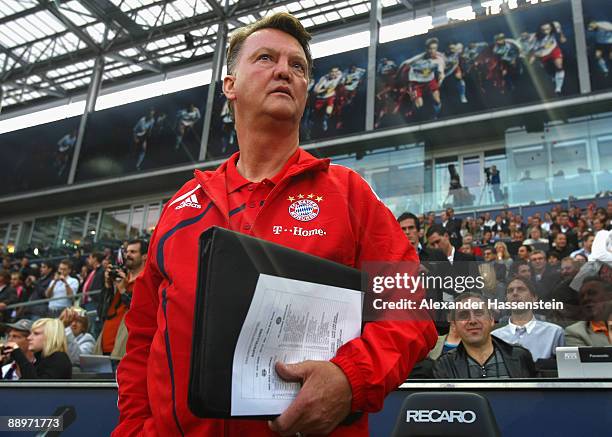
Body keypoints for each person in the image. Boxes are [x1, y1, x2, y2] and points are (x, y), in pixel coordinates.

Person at [113, 13, 436, 437]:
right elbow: (141, 336)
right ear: (230, 85)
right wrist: (137, 428)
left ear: (305, 91)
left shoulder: (349, 194)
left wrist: (349, 378)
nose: (284, 70)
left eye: (297, 66)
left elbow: (409, 307)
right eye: (265, 58)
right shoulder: (180, 208)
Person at [433, 292, 536, 378]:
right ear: (454, 325)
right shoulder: (445, 365)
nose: (472, 320)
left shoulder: (520, 356)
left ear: (491, 320)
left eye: (478, 313)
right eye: (464, 315)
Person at [94, 240, 147, 358]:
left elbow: (140, 311)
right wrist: (108, 286)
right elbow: (102, 311)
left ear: (145, 256)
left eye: (133, 252)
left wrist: (123, 290)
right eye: (127, 251)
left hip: (122, 348)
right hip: (104, 343)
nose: (127, 255)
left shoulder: (146, 281)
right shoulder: (121, 278)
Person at [492, 277, 564, 361]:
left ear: (534, 298)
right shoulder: (494, 337)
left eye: (521, 289)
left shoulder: (554, 333)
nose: (514, 293)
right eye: (510, 291)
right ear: (506, 300)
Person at [1, 318, 71, 379]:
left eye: (36, 334)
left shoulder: (59, 358)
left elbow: (35, 389)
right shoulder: (40, 361)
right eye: (31, 333)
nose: (29, 338)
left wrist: (18, 354)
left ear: (50, 337)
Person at [565, 277, 612, 347]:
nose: (586, 299)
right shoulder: (575, 332)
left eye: (592, 293)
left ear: (610, 296)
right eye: (582, 296)